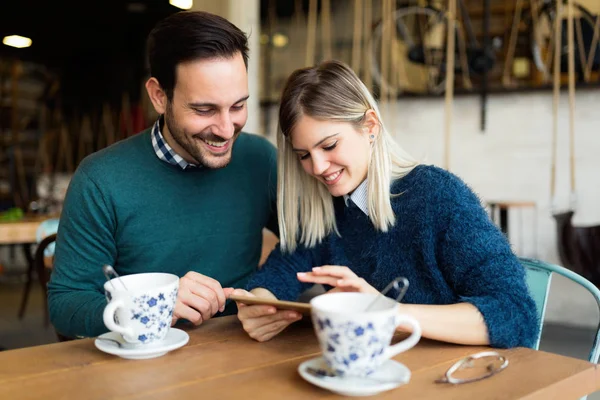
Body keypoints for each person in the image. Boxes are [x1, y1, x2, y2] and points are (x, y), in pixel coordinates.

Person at [233, 60, 538, 348]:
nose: (318, 167)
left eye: (329, 145)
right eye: (303, 155)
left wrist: (385, 312)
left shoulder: (438, 196)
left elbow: (515, 314)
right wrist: (259, 305)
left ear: (370, 126)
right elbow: (280, 272)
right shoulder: (327, 209)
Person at [48, 11, 278, 338]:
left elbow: (313, 244)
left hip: (241, 357)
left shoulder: (261, 160)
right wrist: (151, 306)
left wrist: (266, 287)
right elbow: (66, 304)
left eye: (238, 106)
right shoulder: (100, 180)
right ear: (159, 96)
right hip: (141, 372)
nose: (227, 129)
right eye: (204, 110)